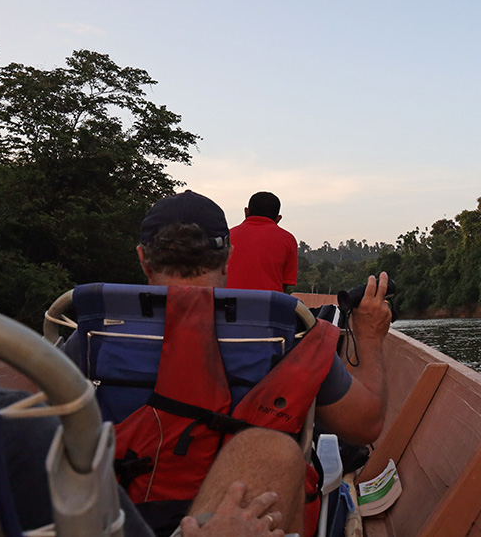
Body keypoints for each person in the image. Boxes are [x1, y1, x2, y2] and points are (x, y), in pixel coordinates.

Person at [55, 190, 390, 536]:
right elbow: (364, 426)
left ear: (143, 259)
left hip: (119, 516)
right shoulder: (285, 338)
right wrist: (369, 336)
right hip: (242, 511)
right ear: (228, 257)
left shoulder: (94, 340)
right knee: (273, 449)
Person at [227, 192, 299, 292]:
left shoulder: (227, 236)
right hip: (268, 305)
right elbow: (285, 285)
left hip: (228, 305)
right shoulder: (288, 240)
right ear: (278, 218)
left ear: (246, 212)